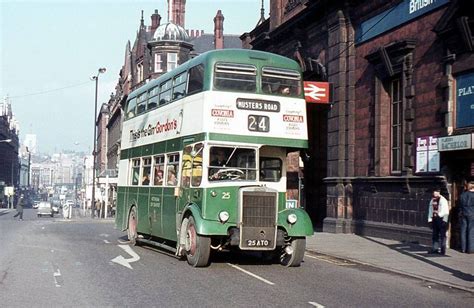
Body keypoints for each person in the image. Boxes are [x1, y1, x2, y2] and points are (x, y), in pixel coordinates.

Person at [427, 188, 449, 255]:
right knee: (435, 234)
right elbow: (430, 209)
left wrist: (444, 220)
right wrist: (430, 219)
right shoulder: (432, 200)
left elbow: (446, 211)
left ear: (439, 192)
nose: (435, 193)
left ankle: (443, 250)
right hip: (435, 218)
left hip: (441, 218)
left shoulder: (443, 200)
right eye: (434, 192)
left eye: (436, 192)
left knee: (442, 235)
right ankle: (435, 248)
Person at [459, 181, 474, 253]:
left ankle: (463, 248)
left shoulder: (462, 195)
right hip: (472, 214)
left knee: (463, 231)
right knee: (471, 231)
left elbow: (460, 205)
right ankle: (470, 249)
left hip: (463, 213)